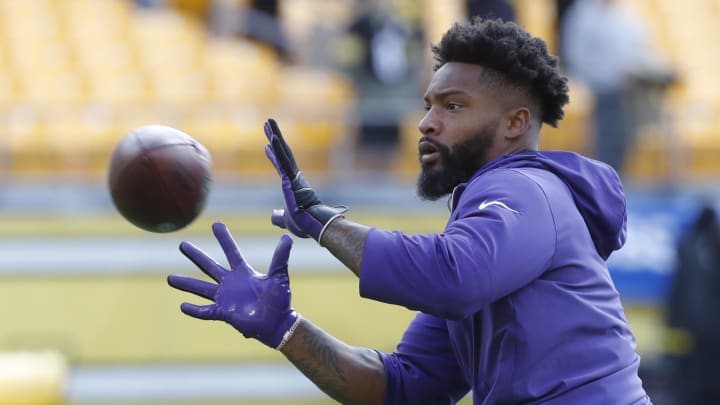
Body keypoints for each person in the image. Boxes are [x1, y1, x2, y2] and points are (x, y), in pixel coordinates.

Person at [168, 18, 652, 404]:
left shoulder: (526, 188)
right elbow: (406, 387)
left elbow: (451, 276)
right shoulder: (486, 229)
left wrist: (323, 221)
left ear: (516, 123)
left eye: (453, 106)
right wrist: (285, 329)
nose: (426, 123)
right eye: (428, 105)